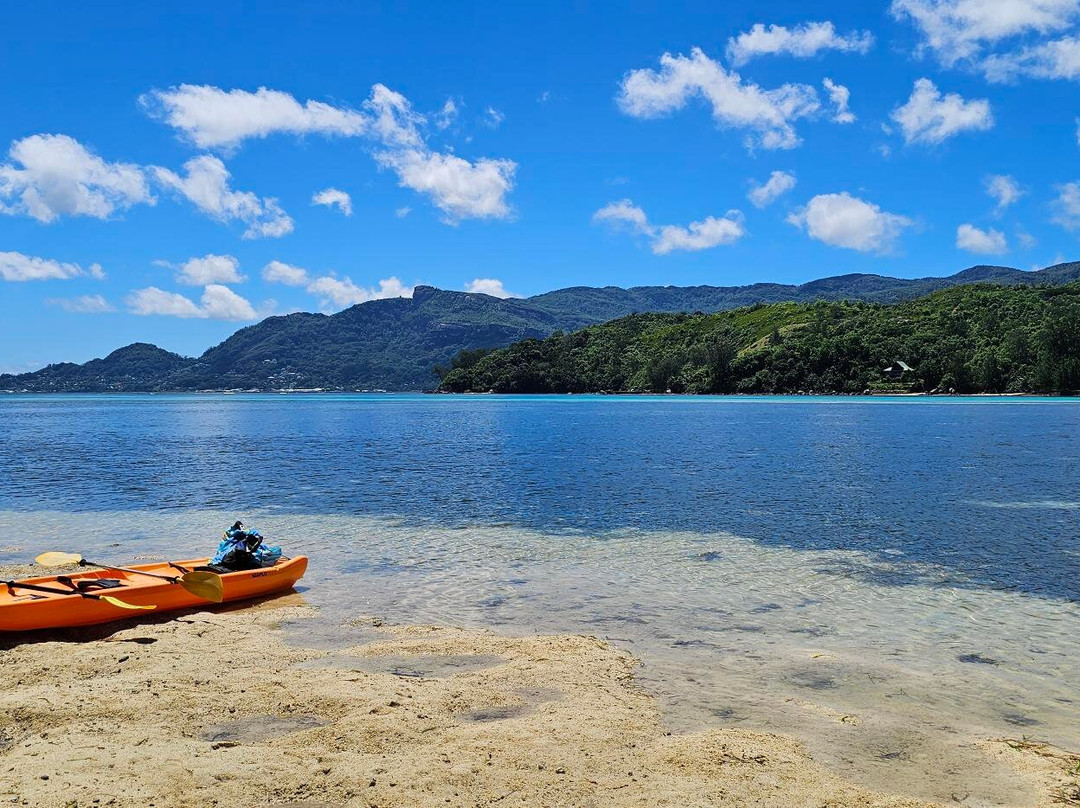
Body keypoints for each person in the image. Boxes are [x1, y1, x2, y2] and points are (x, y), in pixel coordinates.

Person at [209, 520, 283, 571]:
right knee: (252, 561)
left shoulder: (230, 539)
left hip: (219, 562)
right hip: (226, 563)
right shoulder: (235, 541)